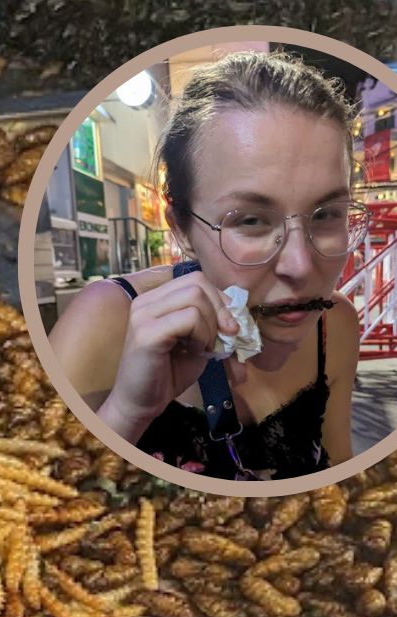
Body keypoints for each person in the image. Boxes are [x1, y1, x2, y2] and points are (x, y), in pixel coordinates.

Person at [50, 51, 367, 480]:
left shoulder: (337, 325)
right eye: (251, 221)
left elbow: (340, 473)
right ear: (180, 227)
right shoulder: (104, 321)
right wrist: (128, 410)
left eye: (327, 214)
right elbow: (37, 500)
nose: (299, 265)